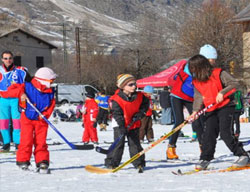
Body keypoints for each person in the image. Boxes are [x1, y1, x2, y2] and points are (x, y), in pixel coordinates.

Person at [189, 54, 250, 170]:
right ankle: (205, 158)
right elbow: (198, 97)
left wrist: (222, 92)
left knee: (225, 133)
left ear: (202, 66)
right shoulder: (196, 81)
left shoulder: (218, 73)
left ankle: (242, 155)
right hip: (211, 109)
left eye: (194, 68)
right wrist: (195, 111)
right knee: (208, 135)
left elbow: (235, 84)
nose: (193, 71)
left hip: (225, 106)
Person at [104, 74, 149, 173]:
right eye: (131, 84)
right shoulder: (116, 99)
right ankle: (112, 162)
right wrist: (122, 126)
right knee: (119, 144)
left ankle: (139, 162)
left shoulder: (140, 96)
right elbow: (117, 114)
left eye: (134, 84)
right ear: (123, 86)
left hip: (133, 122)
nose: (134, 86)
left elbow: (145, 105)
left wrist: (141, 113)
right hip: (120, 123)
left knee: (134, 144)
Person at [16, 67, 57, 172]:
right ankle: (23, 161)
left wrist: (45, 115)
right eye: (51, 81)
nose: (52, 83)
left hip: (41, 120)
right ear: (43, 80)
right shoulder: (27, 86)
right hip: (27, 118)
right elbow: (17, 93)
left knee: (41, 141)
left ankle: (42, 161)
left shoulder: (50, 92)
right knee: (26, 140)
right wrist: (22, 96)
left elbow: (51, 105)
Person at [166, 60, 200, 160]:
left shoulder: (201, 73)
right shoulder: (185, 71)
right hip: (177, 96)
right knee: (179, 121)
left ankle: (204, 148)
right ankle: (171, 147)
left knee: (197, 120)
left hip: (189, 98)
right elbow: (170, 80)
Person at [0, 50, 31, 152]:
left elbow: (30, 83)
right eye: (5, 58)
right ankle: (6, 143)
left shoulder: (21, 70)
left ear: (13, 59)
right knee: (3, 122)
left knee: (17, 122)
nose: (8, 60)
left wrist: (25, 93)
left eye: (10, 58)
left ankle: (18, 143)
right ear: (2, 59)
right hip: (3, 100)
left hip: (16, 99)